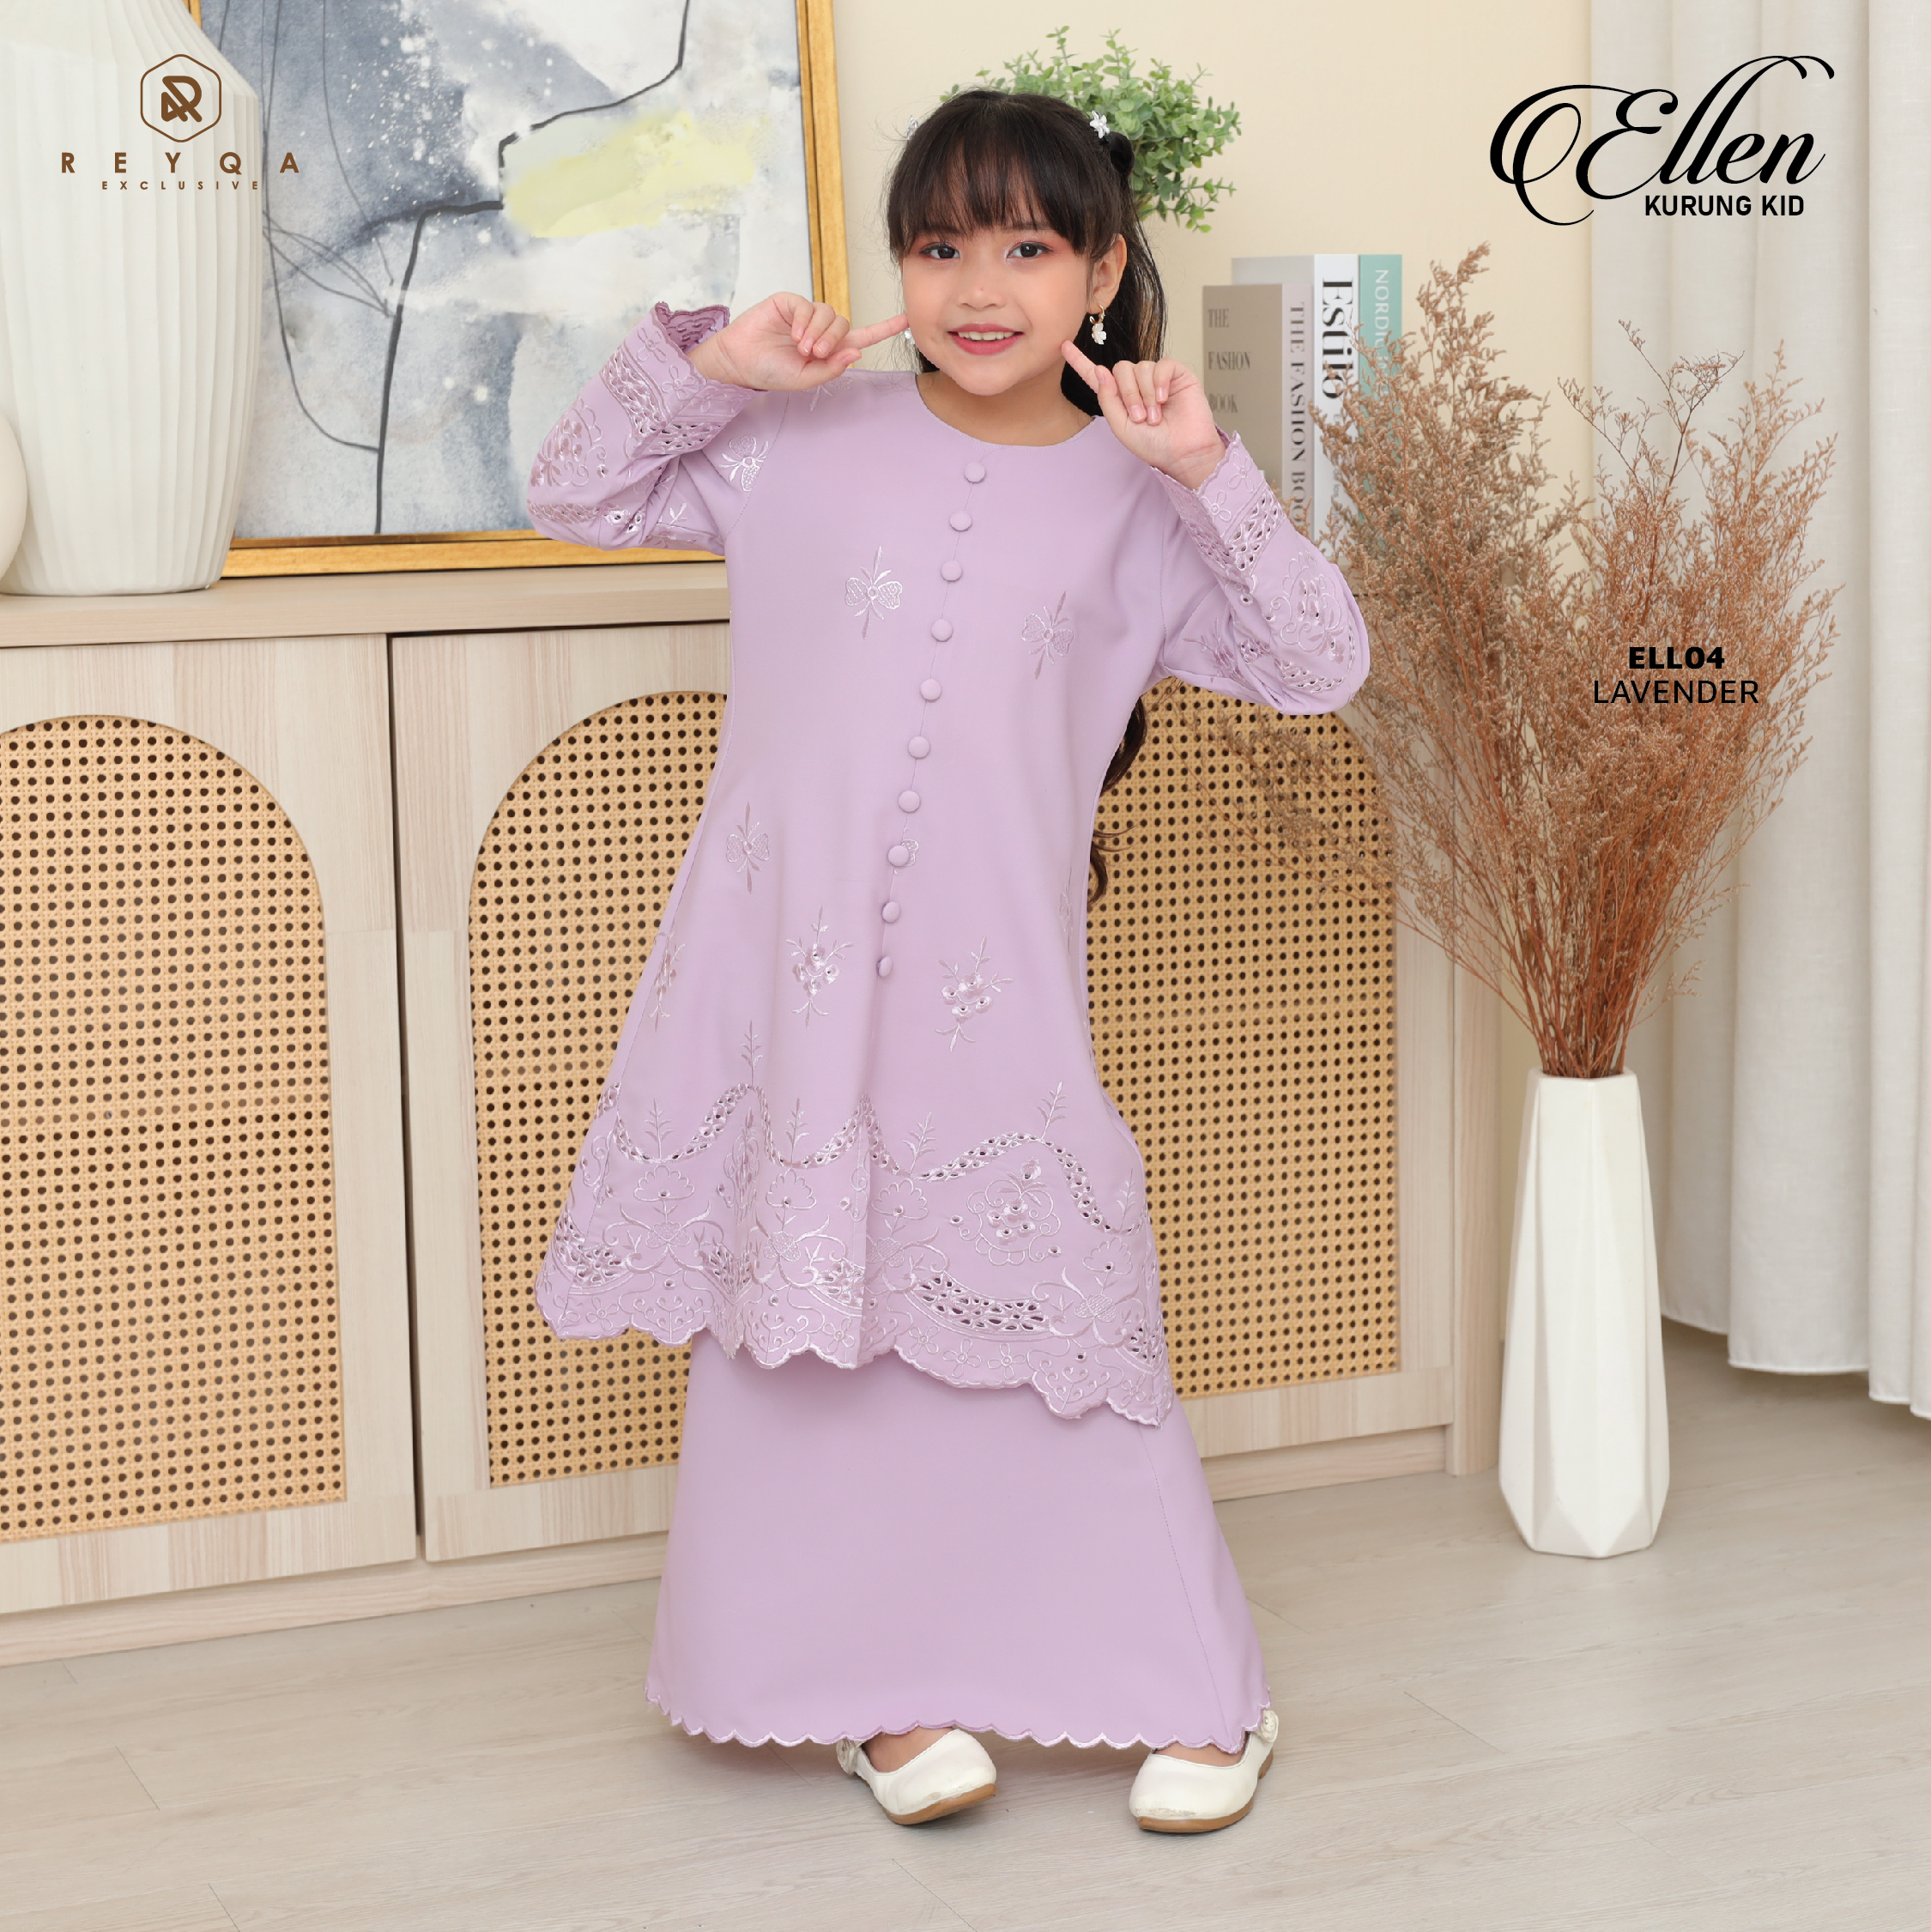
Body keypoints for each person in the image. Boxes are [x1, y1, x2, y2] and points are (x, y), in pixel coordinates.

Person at [524, 87, 1368, 1834]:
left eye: (1028, 248)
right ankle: (873, 1697)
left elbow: (1318, 663)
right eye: (938, 246)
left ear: (1102, 274)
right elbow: (570, 491)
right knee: (803, 1333)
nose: (980, 288)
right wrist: (717, 365)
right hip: (783, 979)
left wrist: (1209, 472)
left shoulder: (1142, 501)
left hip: (1000, 999)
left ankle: (1191, 1686)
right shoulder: (793, 434)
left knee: (1057, 1326)